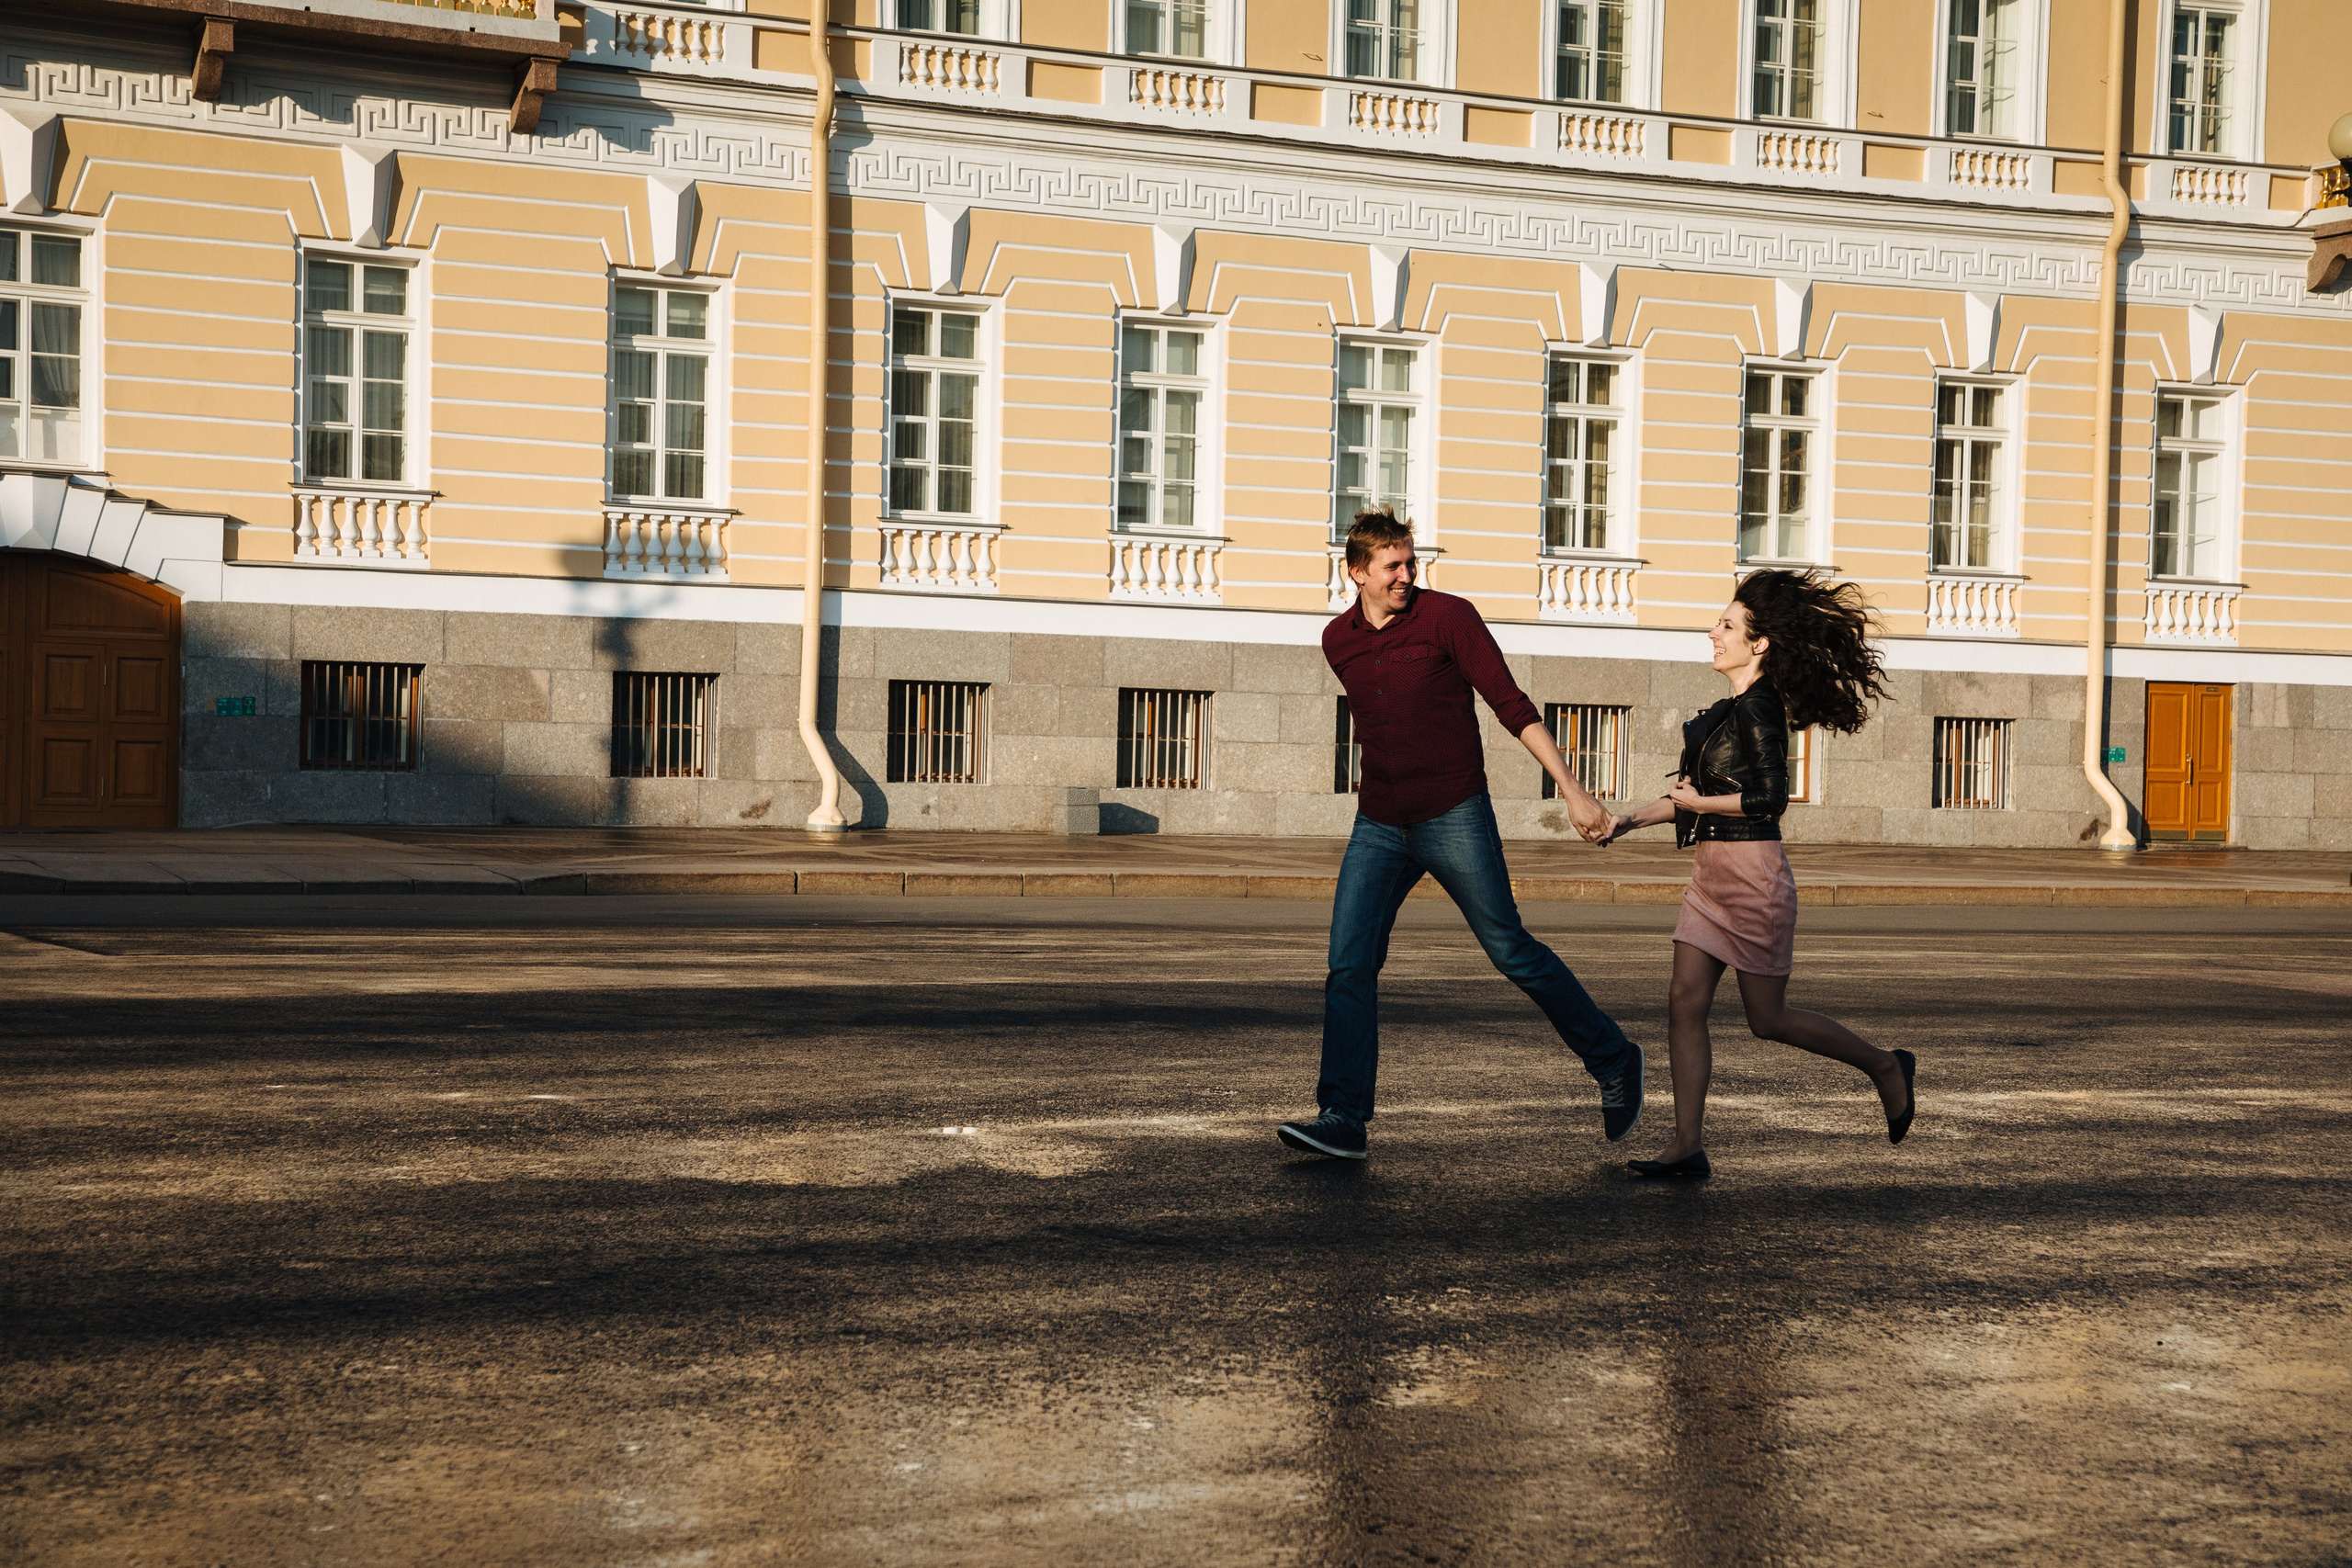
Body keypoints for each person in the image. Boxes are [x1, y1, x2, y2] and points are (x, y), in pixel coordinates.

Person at [1276, 508, 1646, 1162]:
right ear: (1357, 572)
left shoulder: (1450, 617)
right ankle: (1343, 1115)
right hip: (1380, 823)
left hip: (1454, 813)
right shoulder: (1339, 640)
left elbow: (1511, 704)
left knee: (1511, 949)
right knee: (1349, 963)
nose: (1406, 575)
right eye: (1392, 566)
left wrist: (1571, 787)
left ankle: (1614, 1059)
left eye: (1411, 562)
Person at [1600, 569, 1914, 1180]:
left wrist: (1696, 806)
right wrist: (1625, 821)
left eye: (1726, 625)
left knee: (1767, 1019)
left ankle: (1886, 1065)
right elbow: (1691, 795)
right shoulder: (1728, 710)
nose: (1712, 632)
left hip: (1752, 879)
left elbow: (1771, 798)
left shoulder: (1760, 707)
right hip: (1711, 875)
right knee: (1683, 1003)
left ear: (1758, 642)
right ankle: (1687, 1144)